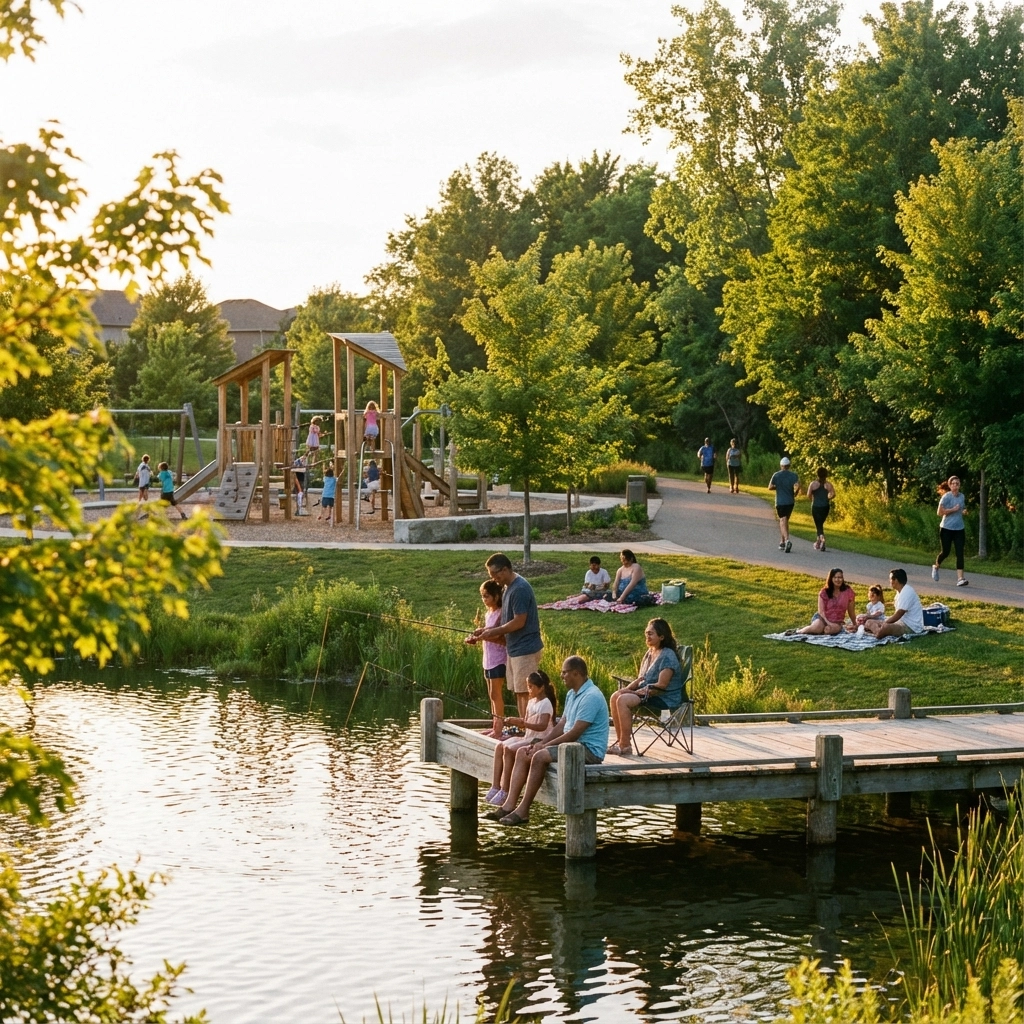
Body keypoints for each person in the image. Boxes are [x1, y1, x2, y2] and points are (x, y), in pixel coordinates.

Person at [486, 656, 608, 826]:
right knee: (523, 752)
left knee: (539, 756)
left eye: (565, 672)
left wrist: (544, 745)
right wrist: (540, 743)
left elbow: (574, 733)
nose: (561, 676)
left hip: (587, 750)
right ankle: (508, 805)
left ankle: (523, 811)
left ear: (576, 673)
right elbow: (562, 725)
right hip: (571, 745)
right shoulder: (572, 694)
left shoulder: (591, 696)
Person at [470, 553, 543, 718]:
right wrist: (485, 631)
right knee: (519, 692)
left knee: (526, 692)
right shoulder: (508, 588)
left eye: (495, 574)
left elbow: (519, 621)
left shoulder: (520, 589)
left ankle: (529, 733)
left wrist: (493, 632)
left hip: (526, 648)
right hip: (514, 648)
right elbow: (506, 620)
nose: (494, 578)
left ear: (505, 569)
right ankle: (525, 730)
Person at [608, 619, 684, 755]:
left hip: (663, 697)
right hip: (646, 693)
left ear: (661, 636)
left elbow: (662, 685)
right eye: (646, 633)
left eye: (651, 634)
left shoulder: (667, 656)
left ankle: (625, 746)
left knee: (623, 700)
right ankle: (620, 742)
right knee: (615, 696)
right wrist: (628, 689)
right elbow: (641, 679)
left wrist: (639, 693)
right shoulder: (650, 653)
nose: (647, 637)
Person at [485, 670, 557, 806]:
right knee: (500, 746)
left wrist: (523, 723)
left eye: (531, 687)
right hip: (528, 736)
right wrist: (514, 721)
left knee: (509, 749)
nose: (529, 690)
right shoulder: (531, 702)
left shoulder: (546, 703)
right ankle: (495, 786)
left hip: (539, 739)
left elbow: (542, 726)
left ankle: (505, 790)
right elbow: (526, 722)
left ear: (541, 688)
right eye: (528, 686)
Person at [467, 580, 507, 738]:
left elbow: (496, 633)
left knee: (496, 694)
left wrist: (482, 634)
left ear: (496, 596)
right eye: (482, 596)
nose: (484, 599)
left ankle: (499, 730)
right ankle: (494, 725)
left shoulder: (501, 612)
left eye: (487, 596)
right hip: (488, 659)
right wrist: (476, 636)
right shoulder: (488, 613)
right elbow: (486, 632)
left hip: (499, 658)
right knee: (491, 695)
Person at [791, 567, 856, 636]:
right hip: (823, 618)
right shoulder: (824, 592)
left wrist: (855, 624)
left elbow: (851, 611)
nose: (838, 580)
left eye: (840, 577)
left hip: (837, 621)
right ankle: (799, 632)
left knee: (828, 630)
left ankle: (824, 630)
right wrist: (829, 623)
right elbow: (821, 612)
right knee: (816, 628)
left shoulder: (848, 591)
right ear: (831, 579)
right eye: (835, 577)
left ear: (843, 578)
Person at [865, 568, 925, 638]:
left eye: (890, 579)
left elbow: (899, 614)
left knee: (885, 627)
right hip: (900, 622)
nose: (889, 581)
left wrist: (884, 623)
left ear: (895, 580)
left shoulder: (907, 592)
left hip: (910, 626)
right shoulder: (899, 592)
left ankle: (877, 632)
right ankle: (877, 632)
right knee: (868, 622)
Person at [932, 476, 968, 587]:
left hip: (959, 529)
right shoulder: (946, 497)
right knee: (946, 552)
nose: (955, 485)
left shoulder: (962, 496)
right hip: (946, 528)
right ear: (950, 485)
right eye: (953, 483)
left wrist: (964, 511)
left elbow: (962, 508)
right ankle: (936, 566)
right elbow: (939, 512)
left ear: (959, 485)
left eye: (957, 483)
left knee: (960, 553)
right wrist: (953, 510)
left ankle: (960, 579)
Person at [768, 456, 800, 553]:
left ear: (781, 466)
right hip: (790, 501)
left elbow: (770, 487)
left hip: (780, 501)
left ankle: (787, 540)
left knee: (782, 520)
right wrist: (795, 493)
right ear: (789, 466)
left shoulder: (776, 475)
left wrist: (777, 487)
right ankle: (782, 542)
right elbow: (798, 486)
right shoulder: (794, 475)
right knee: (785, 521)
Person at [806, 467, 836, 552]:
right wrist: (828, 498)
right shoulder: (828, 485)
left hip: (816, 507)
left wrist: (813, 499)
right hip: (825, 507)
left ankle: (822, 540)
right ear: (826, 475)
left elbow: (808, 494)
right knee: (820, 524)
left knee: (818, 525)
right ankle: (818, 542)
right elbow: (833, 494)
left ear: (817, 474)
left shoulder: (813, 484)